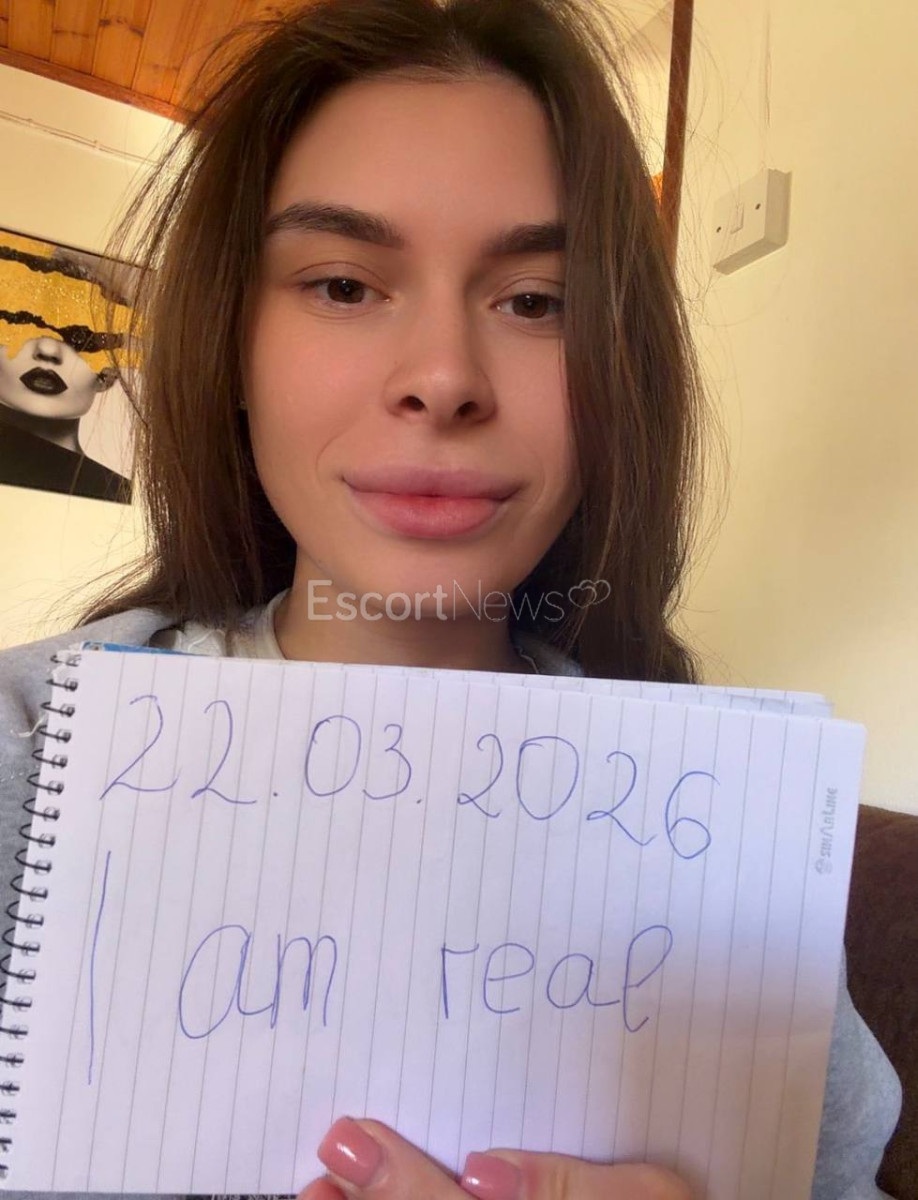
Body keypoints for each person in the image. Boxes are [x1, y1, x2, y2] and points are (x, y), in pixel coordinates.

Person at [0, 1, 901, 1198]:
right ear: (231, 347)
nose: (442, 378)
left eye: (535, 300)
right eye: (341, 284)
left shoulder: (734, 838)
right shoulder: (27, 760)